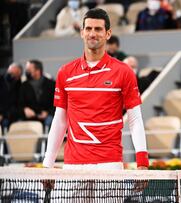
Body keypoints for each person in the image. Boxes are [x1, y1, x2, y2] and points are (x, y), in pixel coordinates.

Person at [42, 8, 149, 172]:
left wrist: (142, 162)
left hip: (110, 165)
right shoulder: (65, 72)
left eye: (98, 29)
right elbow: (60, 121)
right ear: (82, 32)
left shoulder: (124, 71)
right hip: (73, 166)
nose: (93, 34)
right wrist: (47, 164)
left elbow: (135, 119)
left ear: (108, 33)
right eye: (89, 29)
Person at [19, 60, 55, 132]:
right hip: (30, 116)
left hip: (47, 115)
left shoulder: (51, 84)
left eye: (29, 70)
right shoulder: (24, 85)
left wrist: (48, 112)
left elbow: (57, 103)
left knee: (50, 122)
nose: (26, 71)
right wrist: (25, 109)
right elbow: (20, 102)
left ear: (38, 71)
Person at [0, 63, 23, 133]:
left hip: (9, 116)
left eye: (13, 73)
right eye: (10, 72)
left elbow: (16, 104)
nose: (10, 75)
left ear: (18, 76)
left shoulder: (19, 86)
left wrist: (3, 115)